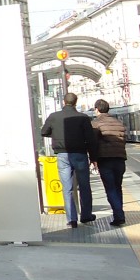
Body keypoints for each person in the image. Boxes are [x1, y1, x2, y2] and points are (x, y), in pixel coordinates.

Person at [41, 92, 97, 228]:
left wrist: (55, 134)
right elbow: (91, 139)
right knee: (84, 185)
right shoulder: (83, 118)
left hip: (62, 155)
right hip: (80, 154)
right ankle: (86, 215)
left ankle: (72, 219)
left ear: (63, 102)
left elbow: (44, 131)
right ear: (75, 102)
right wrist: (94, 158)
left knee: (67, 188)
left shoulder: (54, 117)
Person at [89, 99, 127, 227]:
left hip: (105, 159)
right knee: (118, 187)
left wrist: (93, 159)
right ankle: (119, 214)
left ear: (97, 109)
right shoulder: (118, 123)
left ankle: (119, 215)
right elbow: (123, 141)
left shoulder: (95, 124)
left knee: (110, 188)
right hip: (120, 159)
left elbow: (93, 143)